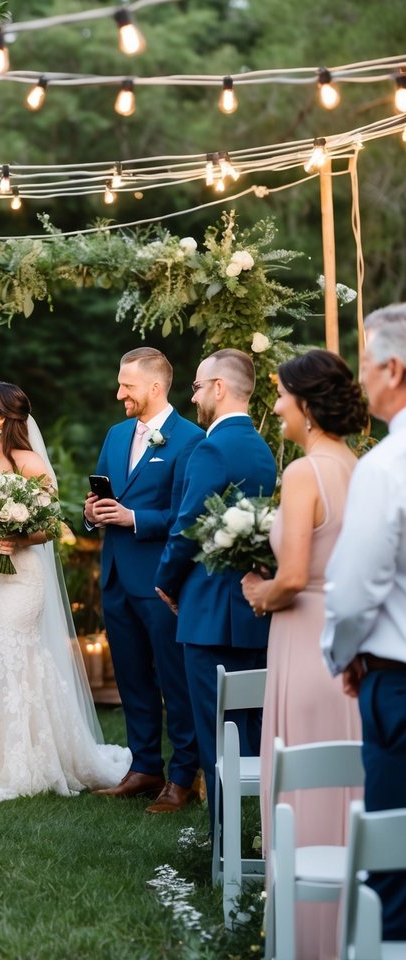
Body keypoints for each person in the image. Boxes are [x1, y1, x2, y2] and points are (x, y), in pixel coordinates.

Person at [241, 350, 366, 960]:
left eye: (284, 396)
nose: (278, 406)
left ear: (307, 405)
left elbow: (292, 576)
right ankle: (353, 932)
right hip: (346, 640)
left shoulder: (303, 473)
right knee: (346, 783)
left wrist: (261, 594)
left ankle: (305, 941)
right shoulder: (358, 465)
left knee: (300, 787)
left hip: (301, 633)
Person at [0, 380, 130, 801]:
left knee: (14, 655)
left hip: (19, 578)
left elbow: (52, 526)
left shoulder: (28, 461)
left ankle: (26, 762)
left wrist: (17, 537)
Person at [154, 348, 276, 832]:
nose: (195, 396)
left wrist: (164, 580)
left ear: (220, 389)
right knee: (251, 732)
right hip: (251, 611)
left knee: (215, 733)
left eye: (199, 387)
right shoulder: (261, 448)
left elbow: (188, 524)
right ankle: (262, 832)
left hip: (207, 612)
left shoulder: (210, 448)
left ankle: (222, 841)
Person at [85, 348, 203, 813]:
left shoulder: (190, 440)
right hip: (115, 576)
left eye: (127, 386)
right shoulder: (116, 435)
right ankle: (144, 766)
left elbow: (185, 515)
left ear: (155, 388)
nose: (119, 394)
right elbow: (102, 495)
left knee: (174, 682)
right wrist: (93, 514)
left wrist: (135, 517)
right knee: (131, 678)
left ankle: (183, 776)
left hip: (160, 581)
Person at [323, 303, 406, 942]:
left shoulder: (387, 465)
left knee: (396, 864)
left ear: (394, 370)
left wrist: (343, 653)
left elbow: (354, 593)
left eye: (366, 365)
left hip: (398, 681)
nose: (361, 381)